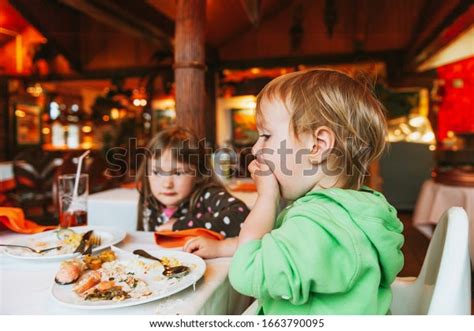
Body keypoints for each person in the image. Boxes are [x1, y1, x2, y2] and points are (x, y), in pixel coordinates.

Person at [228, 69, 404, 314]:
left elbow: (246, 271)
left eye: (266, 136)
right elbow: (278, 245)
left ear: (317, 146)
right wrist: (221, 248)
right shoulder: (351, 212)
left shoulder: (316, 224)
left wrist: (266, 198)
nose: (256, 148)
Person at [136, 127, 249, 251]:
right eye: (157, 172)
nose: (167, 184)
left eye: (178, 173)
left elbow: (240, 214)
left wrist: (180, 225)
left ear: (199, 174)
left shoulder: (207, 195)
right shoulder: (150, 201)